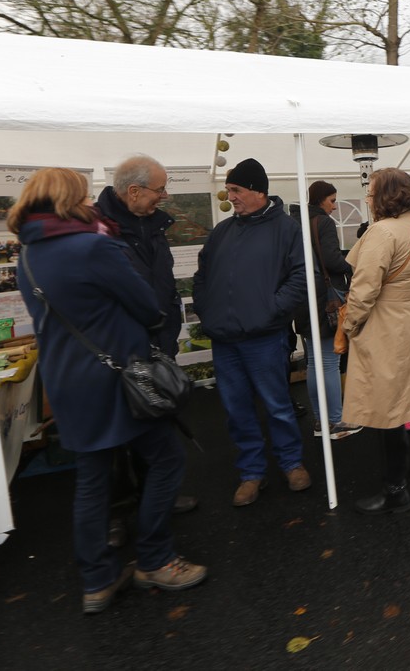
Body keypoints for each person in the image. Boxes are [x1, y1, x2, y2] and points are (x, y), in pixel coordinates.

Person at [11, 168, 206, 615]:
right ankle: (155, 559)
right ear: (67, 199)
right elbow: (146, 305)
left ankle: (97, 581)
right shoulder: (93, 246)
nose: (89, 202)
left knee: (92, 480)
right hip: (117, 377)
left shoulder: (27, 255)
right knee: (166, 459)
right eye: (82, 195)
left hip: (66, 381)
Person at [192, 158, 312, 507]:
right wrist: (207, 310)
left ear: (259, 191)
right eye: (229, 190)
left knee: (277, 405)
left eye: (236, 190)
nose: (230, 197)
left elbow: (302, 276)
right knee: (236, 410)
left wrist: (271, 309)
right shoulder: (222, 233)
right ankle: (251, 473)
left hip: (264, 337)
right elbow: (202, 276)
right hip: (225, 339)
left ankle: (291, 464)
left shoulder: (287, 229)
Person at [94, 154, 196, 547]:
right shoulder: (98, 229)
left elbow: (161, 279)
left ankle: (157, 498)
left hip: (157, 341)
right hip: (120, 349)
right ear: (134, 191)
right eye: (160, 189)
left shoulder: (152, 223)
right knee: (120, 435)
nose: (165, 196)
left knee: (157, 420)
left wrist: (168, 331)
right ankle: (119, 514)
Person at [341, 167, 410, 515]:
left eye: (371, 193)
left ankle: (396, 490)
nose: (367, 199)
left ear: (386, 195)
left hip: (387, 327)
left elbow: (363, 291)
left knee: (389, 408)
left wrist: (349, 327)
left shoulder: (383, 233)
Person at [291, 181, 361, 440]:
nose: (334, 206)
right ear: (320, 199)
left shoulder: (294, 222)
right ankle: (335, 421)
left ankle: (321, 420)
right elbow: (331, 260)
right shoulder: (324, 222)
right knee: (330, 362)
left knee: (313, 363)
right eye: (332, 200)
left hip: (302, 298)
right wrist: (351, 266)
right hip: (326, 301)